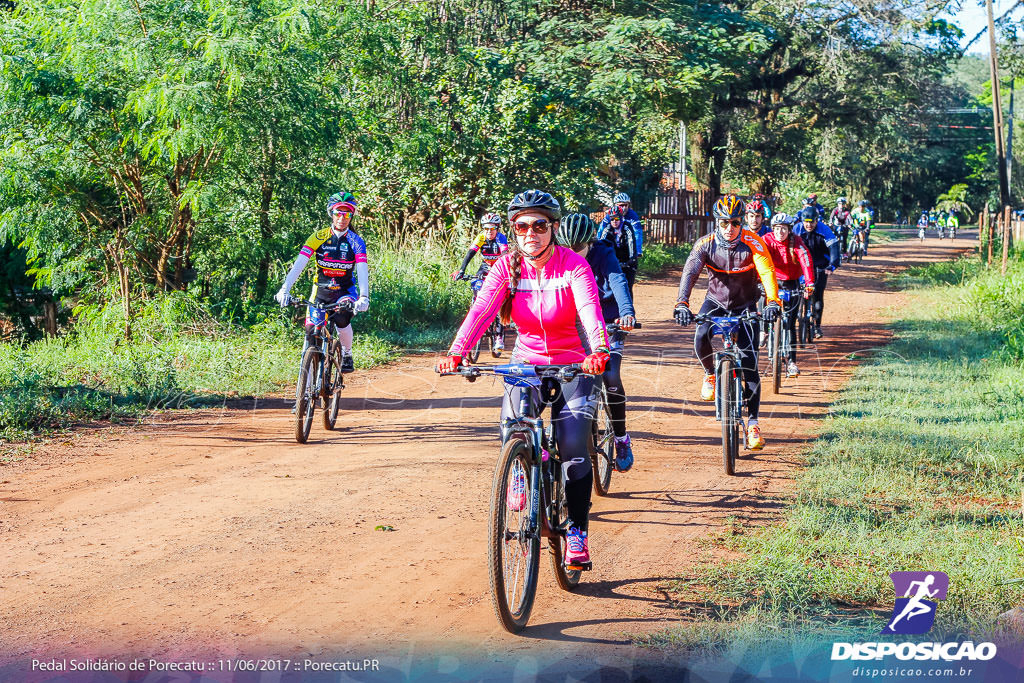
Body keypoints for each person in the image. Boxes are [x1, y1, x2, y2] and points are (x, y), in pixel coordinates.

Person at [438, 190, 610, 569]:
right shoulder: (505, 266)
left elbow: (588, 308)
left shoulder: (573, 267)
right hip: (526, 362)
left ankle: (577, 533)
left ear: (553, 228)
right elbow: (481, 310)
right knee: (511, 427)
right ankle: (518, 469)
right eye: (521, 226)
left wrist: (598, 349)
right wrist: (456, 352)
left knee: (574, 450)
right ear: (512, 230)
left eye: (539, 225)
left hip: (573, 365)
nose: (530, 232)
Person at [672, 195, 781, 451]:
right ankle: (710, 373)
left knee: (751, 364)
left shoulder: (753, 243)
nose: (729, 228)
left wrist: (773, 301)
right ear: (716, 222)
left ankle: (753, 424)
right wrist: (681, 303)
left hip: (745, 306)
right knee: (700, 335)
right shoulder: (705, 244)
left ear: (741, 222)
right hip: (716, 302)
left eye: (734, 222)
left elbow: (766, 271)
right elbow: (690, 272)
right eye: (724, 222)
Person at [556, 213, 637, 472]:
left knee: (611, 377)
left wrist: (627, 312)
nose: (573, 253)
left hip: (609, 321)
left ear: (590, 242)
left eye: (578, 248)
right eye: (568, 247)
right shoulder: (555, 256)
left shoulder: (604, 253)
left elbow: (618, 281)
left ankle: (621, 438)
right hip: (573, 324)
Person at [275, 192, 369, 374]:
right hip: (321, 292)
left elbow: (362, 270)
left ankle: (347, 353)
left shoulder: (356, 242)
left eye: (347, 214)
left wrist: (364, 297)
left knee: (342, 319)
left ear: (352, 216)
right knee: (311, 332)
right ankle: (305, 391)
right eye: (338, 213)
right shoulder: (318, 237)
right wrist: (285, 289)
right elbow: (299, 265)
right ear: (331, 213)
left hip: (344, 292)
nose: (342, 218)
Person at [761, 213, 815, 377]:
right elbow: (758, 258)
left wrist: (809, 283)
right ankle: (764, 331)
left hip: (791, 284)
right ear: (773, 229)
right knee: (763, 305)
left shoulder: (797, 241)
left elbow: (806, 261)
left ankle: (791, 362)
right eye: (777, 228)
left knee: (790, 324)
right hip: (772, 282)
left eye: (784, 229)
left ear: (789, 230)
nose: (780, 232)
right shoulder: (766, 240)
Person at [452, 213, 509, 352]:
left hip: (499, 268)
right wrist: (461, 270)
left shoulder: (501, 238)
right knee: (477, 287)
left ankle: (499, 337)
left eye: (492, 228)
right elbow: (470, 253)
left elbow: (504, 255)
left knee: (500, 300)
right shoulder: (481, 237)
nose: (489, 232)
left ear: (497, 228)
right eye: (486, 228)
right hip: (484, 267)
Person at [792, 207, 840, 338]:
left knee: (818, 295)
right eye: (806, 222)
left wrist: (832, 265)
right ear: (802, 221)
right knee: (794, 293)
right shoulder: (797, 229)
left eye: (812, 222)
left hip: (820, 265)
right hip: (801, 265)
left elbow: (834, 248)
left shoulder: (824, 230)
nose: (809, 225)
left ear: (816, 221)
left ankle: (817, 326)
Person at [598, 207, 640, 296]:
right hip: (614, 259)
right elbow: (601, 244)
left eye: (617, 218)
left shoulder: (627, 227)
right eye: (612, 219)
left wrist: (632, 259)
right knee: (610, 287)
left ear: (621, 218)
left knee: (628, 287)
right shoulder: (607, 229)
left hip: (627, 260)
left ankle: (629, 308)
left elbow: (631, 242)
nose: (614, 221)